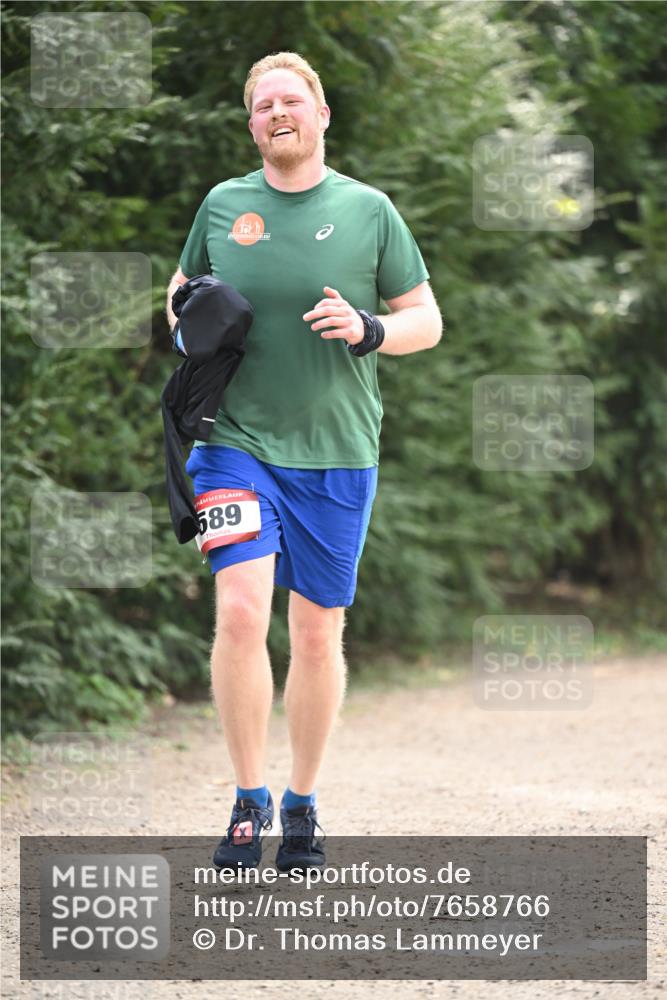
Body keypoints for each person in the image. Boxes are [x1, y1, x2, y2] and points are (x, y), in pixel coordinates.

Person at [166, 51, 442, 872]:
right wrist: (194, 315)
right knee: (243, 610)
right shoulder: (224, 205)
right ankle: (248, 800)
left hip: (335, 451)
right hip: (233, 442)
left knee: (317, 634)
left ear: (322, 116)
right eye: (260, 105)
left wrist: (371, 330)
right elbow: (179, 298)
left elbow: (425, 318)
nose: (275, 113)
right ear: (251, 125)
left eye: (290, 100)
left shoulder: (368, 211)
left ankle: (303, 802)